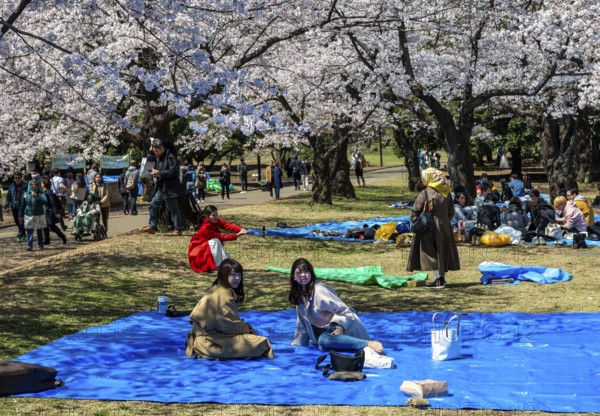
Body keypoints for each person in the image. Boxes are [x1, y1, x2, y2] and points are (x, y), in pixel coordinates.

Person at [289, 258, 393, 367]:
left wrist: (340, 327)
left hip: (342, 328)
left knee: (324, 340)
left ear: (312, 273)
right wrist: (297, 345)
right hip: (325, 336)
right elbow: (302, 326)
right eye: (299, 272)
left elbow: (345, 311)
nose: (303, 275)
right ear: (294, 277)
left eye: (306, 271)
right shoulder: (299, 295)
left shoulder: (320, 290)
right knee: (321, 344)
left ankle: (368, 344)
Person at [186, 259, 274, 360]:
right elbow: (231, 326)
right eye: (233, 274)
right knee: (262, 343)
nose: (237, 278)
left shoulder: (217, 288)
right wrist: (247, 330)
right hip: (210, 343)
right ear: (224, 275)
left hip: (206, 339)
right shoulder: (224, 296)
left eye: (239, 275)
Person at [407, 168, 460, 289]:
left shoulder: (426, 192)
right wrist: (444, 220)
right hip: (445, 225)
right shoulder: (447, 192)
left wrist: (415, 219)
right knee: (442, 252)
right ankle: (442, 279)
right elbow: (451, 212)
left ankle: (438, 280)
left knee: (429, 252)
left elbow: (415, 210)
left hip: (429, 226)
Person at [139, 138, 182, 236]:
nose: (155, 152)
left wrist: (159, 173)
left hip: (170, 188)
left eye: (156, 150)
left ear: (162, 148)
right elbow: (148, 157)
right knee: (153, 205)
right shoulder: (158, 157)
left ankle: (178, 229)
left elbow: (174, 172)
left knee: (174, 209)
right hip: (161, 187)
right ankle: (152, 227)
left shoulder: (170, 157)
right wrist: (151, 147)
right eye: (154, 150)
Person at [188, 205, 247, 273]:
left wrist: (240, 229)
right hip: (200, 252)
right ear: (207, 217)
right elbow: (222, 237)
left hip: (207, 248)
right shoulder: (205, 228)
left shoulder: (215, 221)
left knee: (217, 243)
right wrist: (237, 235)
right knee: (216, 241)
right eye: (213, 215)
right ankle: (216, 266)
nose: (216, 217)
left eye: (217, 214)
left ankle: (220, 264)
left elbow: (226, 225)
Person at [19, 179, 47, 251]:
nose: (33, 186)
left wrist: (37, 196)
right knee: (29, 230)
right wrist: (20, 215)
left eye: (35, 184)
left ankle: (40, 245)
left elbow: (45, 201)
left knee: (39, 230)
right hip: (29, 214)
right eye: (31, 185)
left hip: (39, 214)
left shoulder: (41, 193)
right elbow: (22, 205)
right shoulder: (25, 194)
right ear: (29, 185)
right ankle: (30, 245)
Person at [40, 177, 67, 245]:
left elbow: (53, 203)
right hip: (45, 211)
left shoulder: (48, 192)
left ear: (44, 184)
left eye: (42, 183)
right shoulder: (44, 192)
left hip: (49, 211)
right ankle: (47, 240)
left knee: (51, 226)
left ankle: (62, 236)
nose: (41, 184)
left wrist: (55, 212)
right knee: (45, 226)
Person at [4, 172, 26, 242]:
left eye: (18, 178)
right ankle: (23, 233)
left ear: (21, 178)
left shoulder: (25, 185)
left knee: (20, 220)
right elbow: (8, 197)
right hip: (14, 205)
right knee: (16, 220)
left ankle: (19, 235)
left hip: (22, 205)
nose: (17, 179)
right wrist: (7, 206)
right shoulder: (11, 186)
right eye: (15, 178)